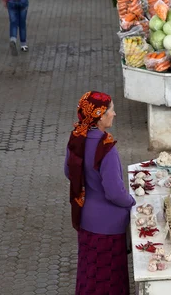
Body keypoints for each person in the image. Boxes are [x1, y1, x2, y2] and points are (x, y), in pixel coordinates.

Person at [65, 91, 136, 295]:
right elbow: (114, 192)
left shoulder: (77, 138)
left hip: (86, 217)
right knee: (109, 279)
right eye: (111, 110)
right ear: (100, 115)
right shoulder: (105, 147)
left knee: (89, 274)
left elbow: (69, 171)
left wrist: (89, 186)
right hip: (109, 225)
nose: (114, 114)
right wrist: (131, 201)